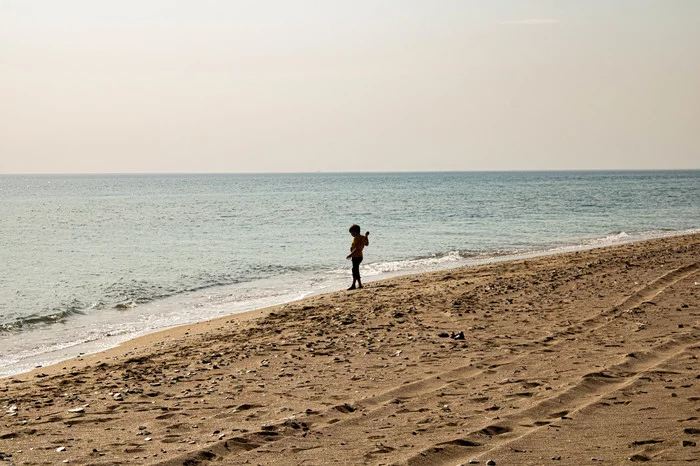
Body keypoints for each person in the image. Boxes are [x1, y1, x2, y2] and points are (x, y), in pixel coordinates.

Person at [346, 224, 369, 290]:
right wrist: (366, 236)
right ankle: (359, 284)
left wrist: (350, 255)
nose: (351, 234)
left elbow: (357, 248)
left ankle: (354, 285)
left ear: (355, 232)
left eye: (352, 233)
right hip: (360, 256)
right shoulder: (362, 237)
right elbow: (367, 244)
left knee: (355, 270)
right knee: (356, 270)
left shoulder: (356, 238)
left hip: (356, 256)